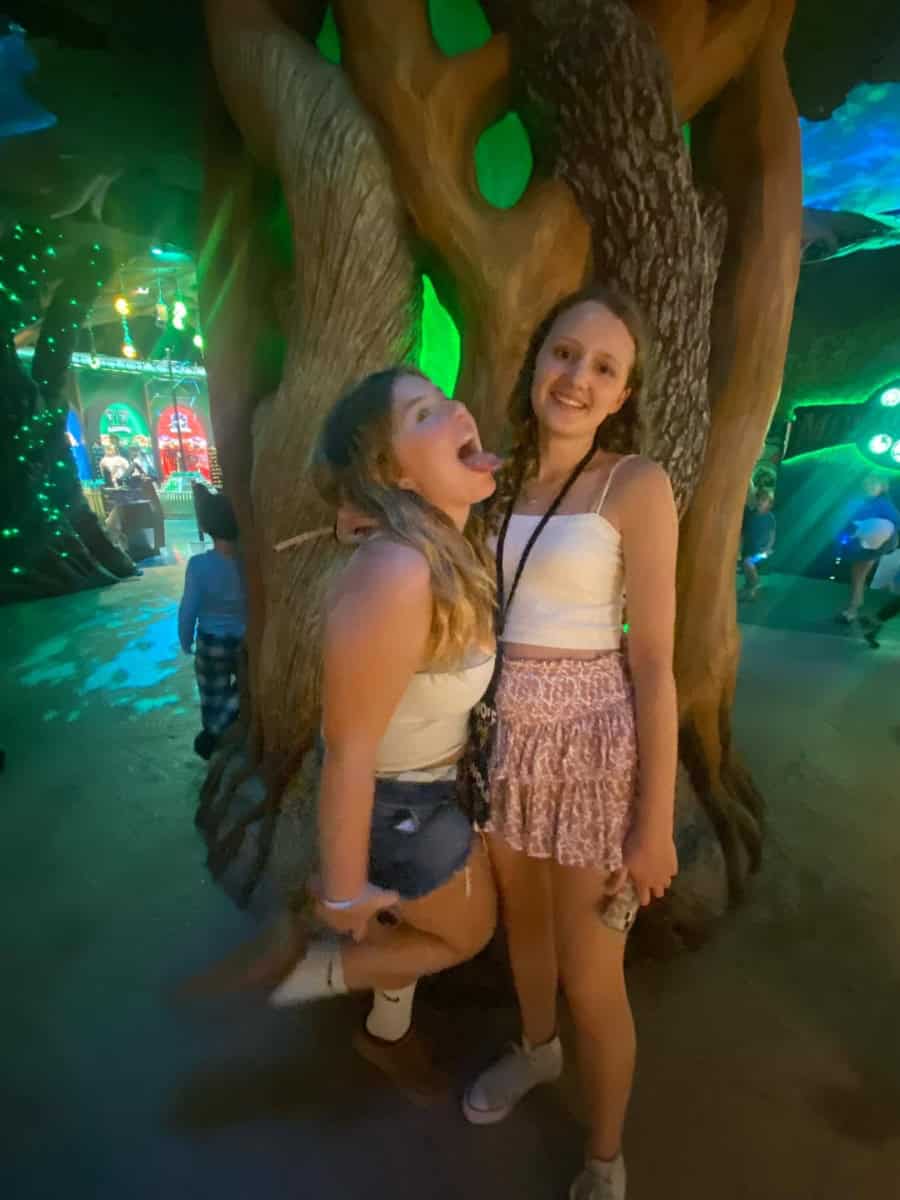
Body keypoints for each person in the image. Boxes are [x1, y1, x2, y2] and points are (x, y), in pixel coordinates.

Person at [190, 368, 501, 1092]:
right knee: (467, 934)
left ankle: (377, 1021)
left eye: (446, 399)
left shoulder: (437, 547)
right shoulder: (397, 570)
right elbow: (349, 749)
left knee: (418, 931)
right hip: (402, 810)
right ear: (392, 473)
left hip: (426, 792)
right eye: (425, 413)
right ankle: (308, 973)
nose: (458, 408)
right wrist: (340, 892)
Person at [461, 285, 679, 1200]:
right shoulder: (494, 477)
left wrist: (655, 826)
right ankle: (536, 1051)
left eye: (603, 367)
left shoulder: (636, 485)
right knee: (525, 928)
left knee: (596, 976)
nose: (577, 377)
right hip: (507, 736)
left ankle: (603, 1156)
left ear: (625, 392)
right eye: (564, 353)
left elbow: (658, 664)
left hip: (592, 746)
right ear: (536, 358)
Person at [178, 485, 247, 759]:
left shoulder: (198, 565)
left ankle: (213, 731)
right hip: (244, 640)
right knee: (245, 687)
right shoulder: (249, 564)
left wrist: (185, 639)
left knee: (211, 694)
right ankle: (227, 726)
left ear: (208, 527)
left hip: (210, 643)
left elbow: (189, 608)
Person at [836, 474, 900, 624]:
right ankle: (854, 607)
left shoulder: (883, 504)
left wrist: (887, 538)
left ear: (882, 487)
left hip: (874, 546)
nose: (869, 486)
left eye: (874, 483)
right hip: (861, 545)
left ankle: (853, 609)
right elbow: (849, 523)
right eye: (867, 483)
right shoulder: (859, 503)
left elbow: (896, 522)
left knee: (859, 576)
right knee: (858, 576)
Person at [739, 487, 776, 600]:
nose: (760, 501)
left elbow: (772, 535)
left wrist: (767, 548)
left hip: (762, 552)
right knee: (746, 566)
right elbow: (744, 533)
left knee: (748, 563)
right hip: (748, 549)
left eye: (764, 500)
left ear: (769, 503)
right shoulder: (750, 515)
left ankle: (755, 585)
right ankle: (749, 585)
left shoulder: (769, 517)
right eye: (759, 499)